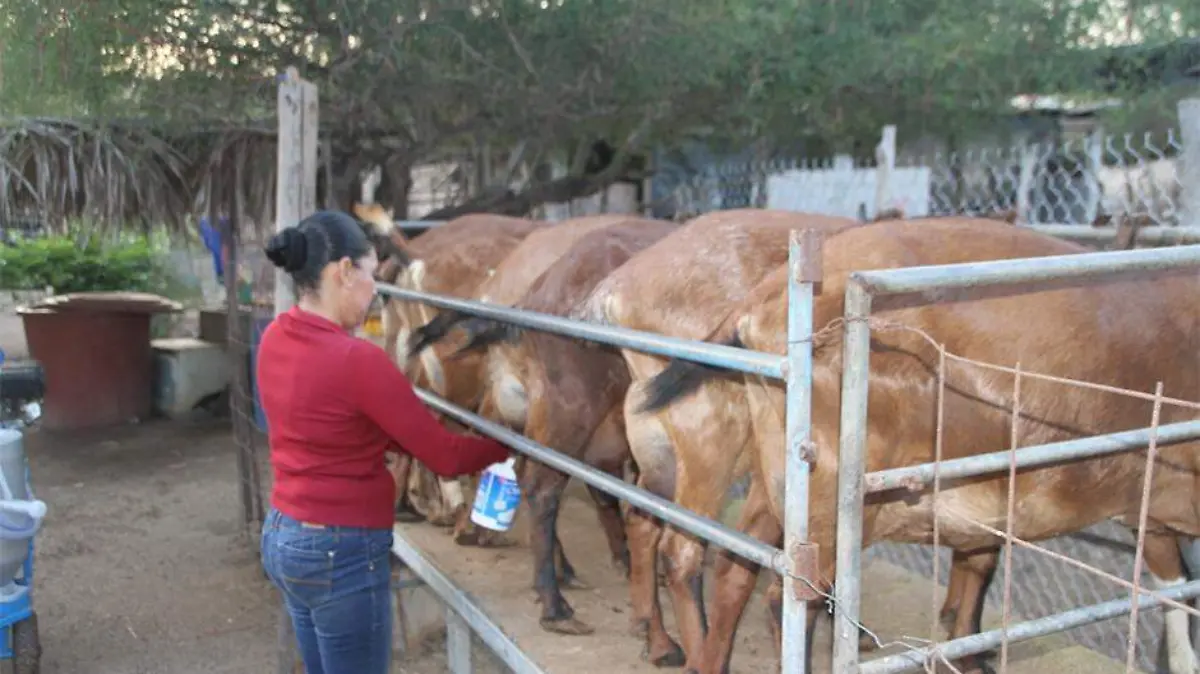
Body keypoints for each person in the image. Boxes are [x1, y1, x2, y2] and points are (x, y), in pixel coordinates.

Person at [256, 210, 510, 674]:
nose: (376, 290)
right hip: (340, 550)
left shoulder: (274, 336)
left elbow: (317, 423)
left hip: (285, 534)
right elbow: (446, 457)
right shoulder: (358, 361)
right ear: (343, 272)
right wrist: (512, 443)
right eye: (372, 275)